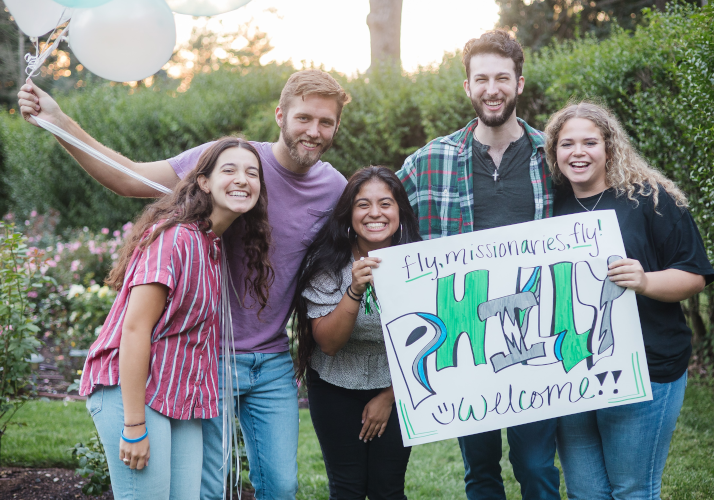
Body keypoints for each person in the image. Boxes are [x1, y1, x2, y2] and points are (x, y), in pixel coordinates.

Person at [18, 69, 350, 500]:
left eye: (326, 122)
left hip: (271, 361)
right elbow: (129, 178)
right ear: (280, 115)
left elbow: (364, 236)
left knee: (281, 486)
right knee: (206, 490)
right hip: (206, 357)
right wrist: (58, 121)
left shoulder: (334, 188)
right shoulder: (233, 165)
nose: (314, 131)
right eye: (304, 118)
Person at [395, 30, 559, 499]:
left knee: (536, 466)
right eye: (481, 78)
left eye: (502, 78)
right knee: (481, 470)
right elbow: (377, 212)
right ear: (467, 86)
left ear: (519, 83)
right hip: (466, 338)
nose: (492, 88)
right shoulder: (431, 160)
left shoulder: (553, 156)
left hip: (538, 335)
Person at [79, 138, 273, 499]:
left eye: (252, 173)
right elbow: (135, 330)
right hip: (132, 393)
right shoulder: (175, 238)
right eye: (228, 170)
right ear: (203, 182)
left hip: (175, 397)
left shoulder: (213, 245)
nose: (242, 179)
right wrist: (134, 425)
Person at [545, 101, 714, 499]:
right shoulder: (548, 205)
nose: (578, 152)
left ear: (609, 146)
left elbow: (694, 275)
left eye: (590, 142)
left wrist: (645, 280)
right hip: (571, 373)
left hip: (647, 369)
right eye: (567, 144)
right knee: (586, 493)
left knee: (632, 491)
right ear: (554, 153)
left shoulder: (651, 200)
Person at [292, 166, 421, 500]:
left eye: (385, 204)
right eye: (363, 205)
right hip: (334, 385)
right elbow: (330, 344)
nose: (375, 213)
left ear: (399, 212)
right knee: (347, 488)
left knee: (387, 489)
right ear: (349, 214)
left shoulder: (420, 263)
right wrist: (354, 290)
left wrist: (389, 397)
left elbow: (429, 342)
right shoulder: (326, 264)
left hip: (400, 386)